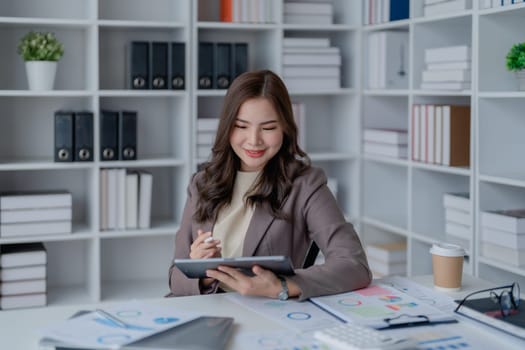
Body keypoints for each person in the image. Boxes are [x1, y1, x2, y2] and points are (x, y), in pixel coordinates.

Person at [168, 69, 371, 301]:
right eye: (242, 126)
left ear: (285, 128)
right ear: (227, 127)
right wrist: (203, 272)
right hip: (204, 307)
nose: (254, 140)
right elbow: (176, 277)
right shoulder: (201, 182)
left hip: (267, 313)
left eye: (268, 128)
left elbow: (354, 265)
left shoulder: (305, 185)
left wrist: (283, 285)